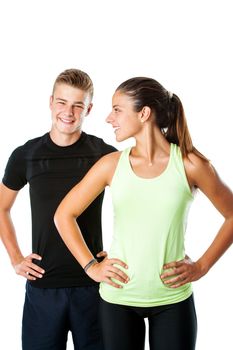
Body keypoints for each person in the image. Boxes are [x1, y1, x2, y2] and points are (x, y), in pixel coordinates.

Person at [54, 76, 233, 350]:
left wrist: (202, 266)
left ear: (144, 113)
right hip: (118, 299)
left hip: (173, 299)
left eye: (117, 109)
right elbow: (64, 215)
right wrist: (92, 266)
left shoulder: (190, 164)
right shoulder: (110, 165)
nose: (108, 118)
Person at [0, 68, 128, 350]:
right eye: (62, 102)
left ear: (89, 109)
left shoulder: (104, 155)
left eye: (78, 105)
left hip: (93, 285)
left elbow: (136, 203)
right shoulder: (26, 155)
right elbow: (2, 208)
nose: (68, 112)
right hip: (43, 286)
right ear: (50, 102)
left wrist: (122, 251)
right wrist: (15, 258)